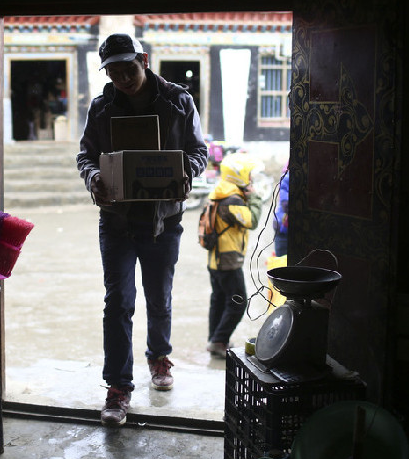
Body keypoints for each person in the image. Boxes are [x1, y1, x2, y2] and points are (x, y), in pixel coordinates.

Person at [76, 33, 208, 427]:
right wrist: (94, 176)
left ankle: (158, 356)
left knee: (158, 295)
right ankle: (118, 388)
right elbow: (86, 155)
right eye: (113, 73)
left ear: (144, 60)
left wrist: (186, 169)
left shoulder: (178, 101)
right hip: (116, 221)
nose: (122, 79)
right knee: (118, 302)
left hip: (162, 220)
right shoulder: (101, 109)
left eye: (127, 69)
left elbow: (199, 151)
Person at [205, 152, 264, 359]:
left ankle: (214, 340)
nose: (250, 179)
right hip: (228, 260)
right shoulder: (232, 200)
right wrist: (255, 197)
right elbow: (252, 220)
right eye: (248, 174)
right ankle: (220, 340)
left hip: (215, 259)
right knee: (239, 303)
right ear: (240, 176)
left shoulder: (220, 192)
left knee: (219, 300)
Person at [273, 167, 289, 257]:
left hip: (284, 226)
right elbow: (286, 205)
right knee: (282, 261)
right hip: (282, 228)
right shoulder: (286, 178)